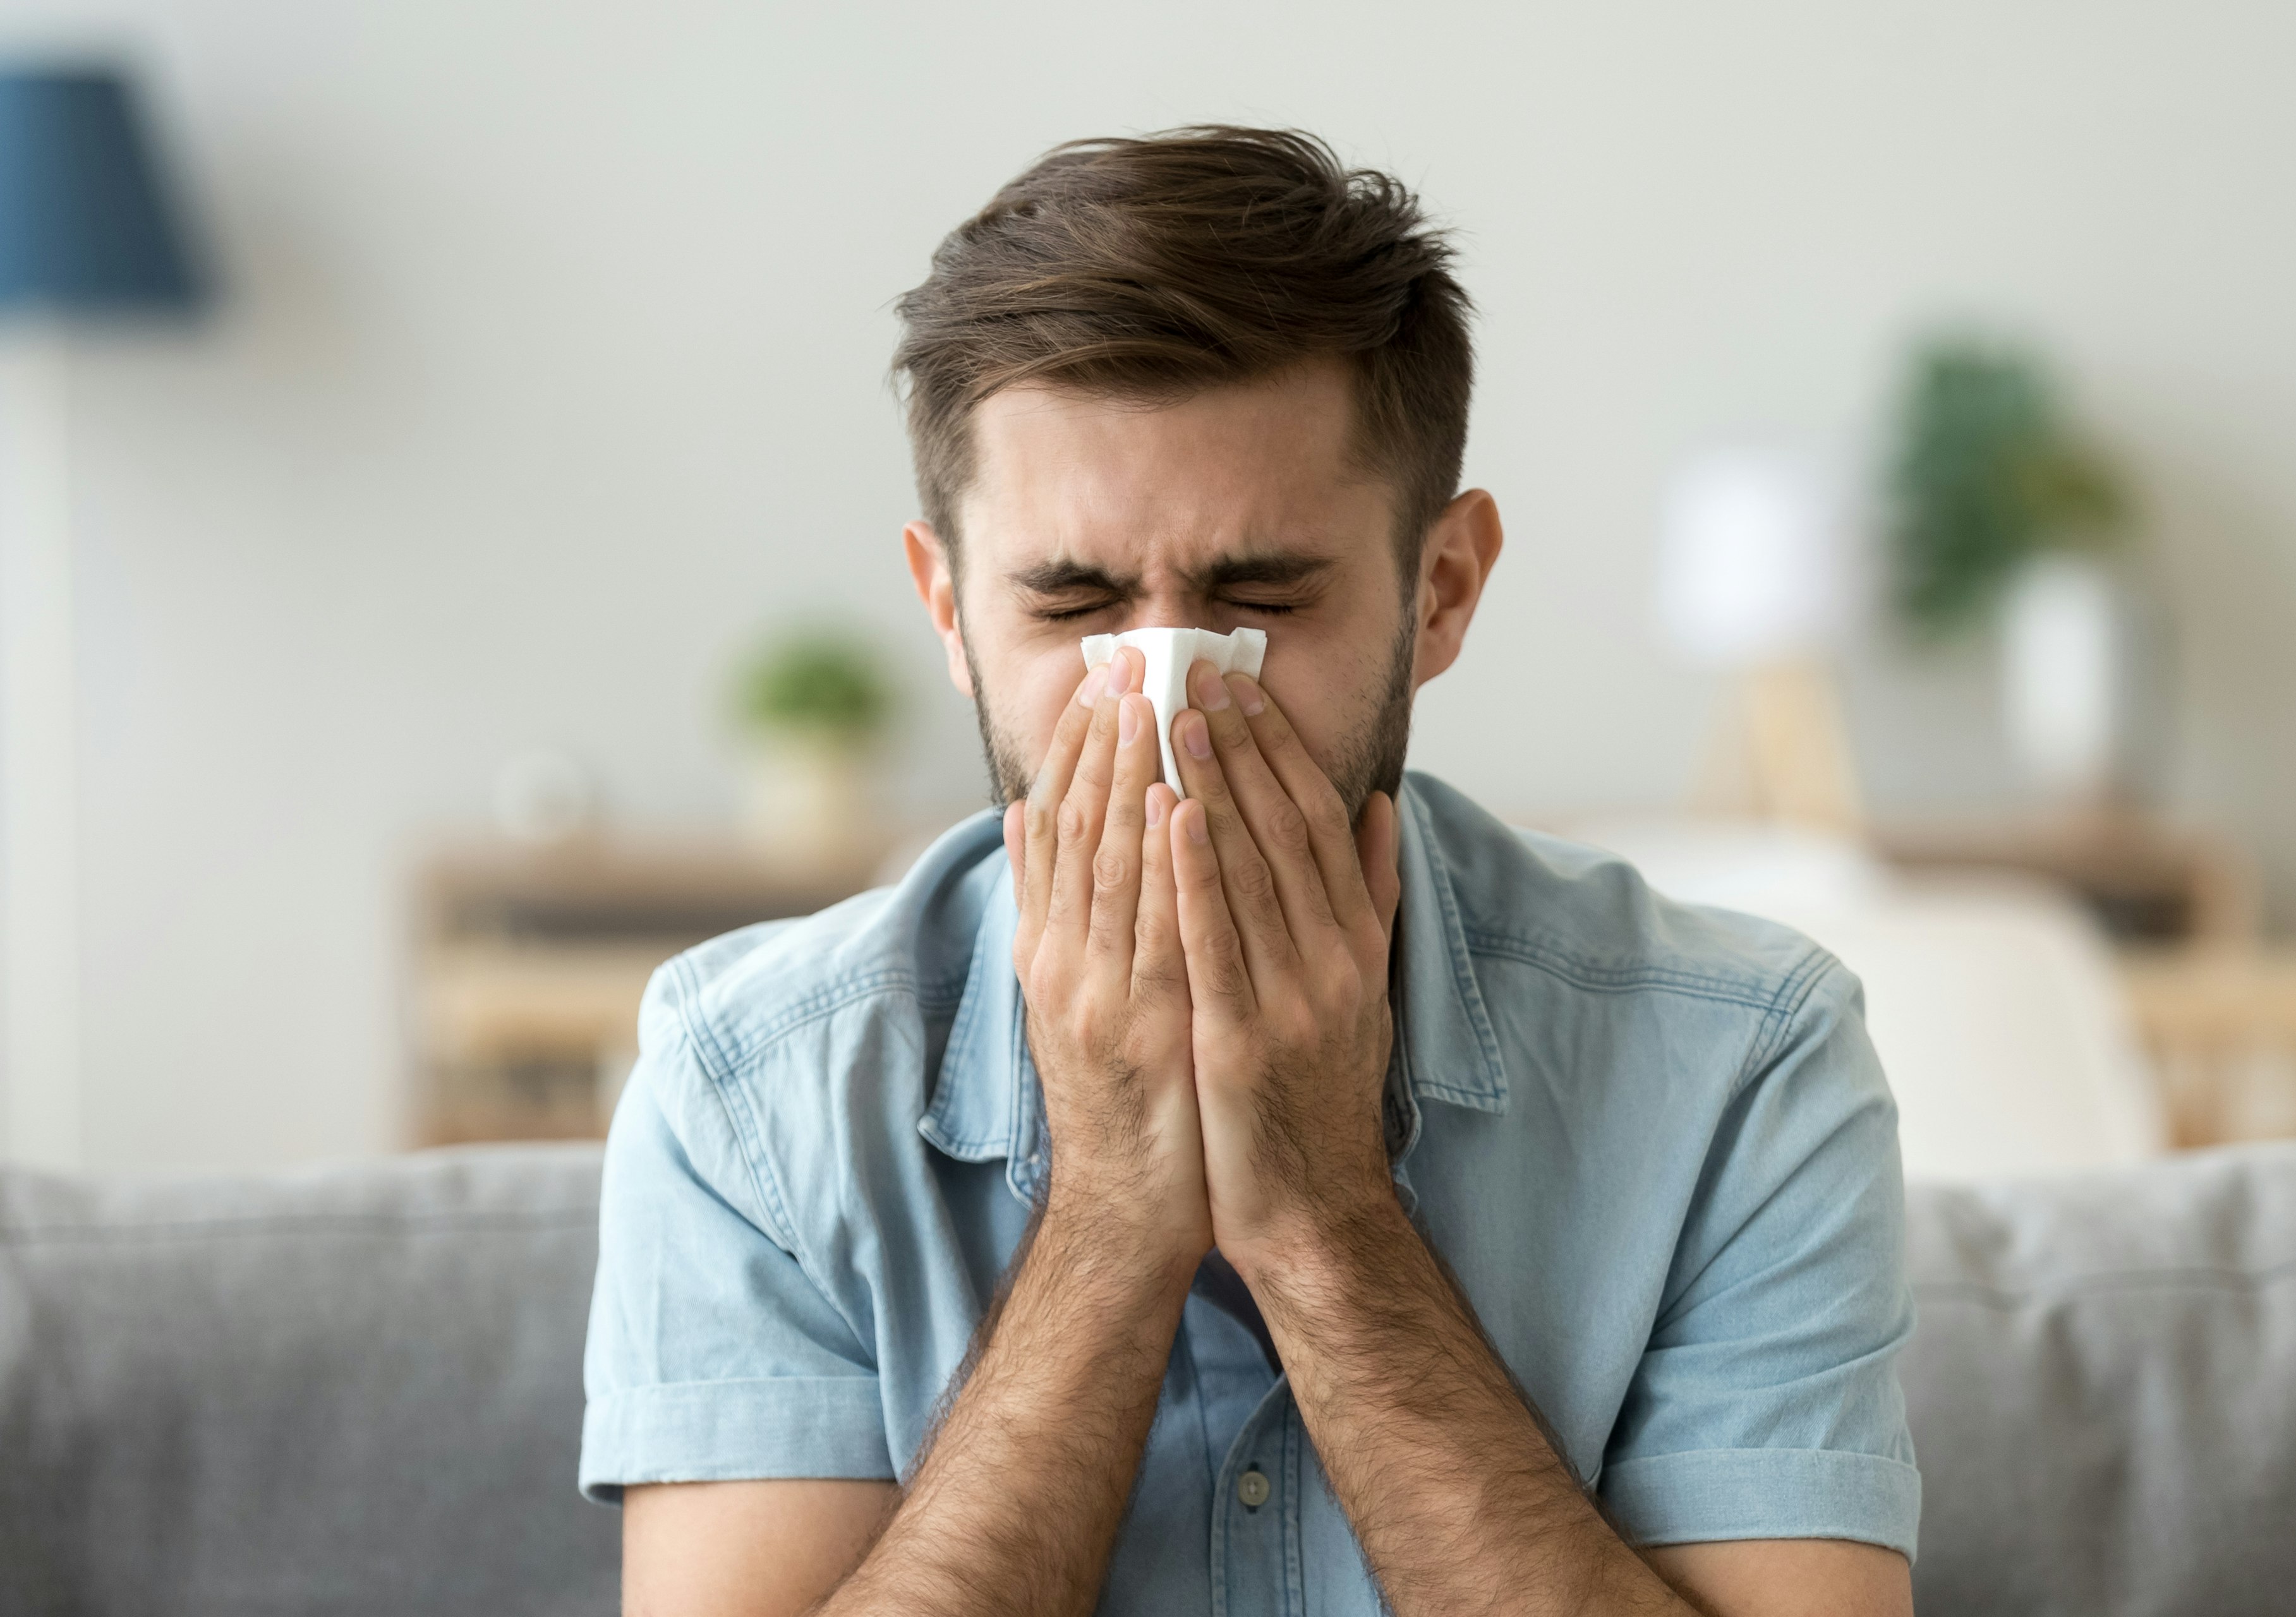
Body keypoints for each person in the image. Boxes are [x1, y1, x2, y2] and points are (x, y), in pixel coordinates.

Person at [581, 126, 1919, 1617]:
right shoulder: (748, 1098)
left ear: (1443, 591)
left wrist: (1322, 1215)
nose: (1164, 704)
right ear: (947, 608)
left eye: (1262, 596)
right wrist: (1105, 1222)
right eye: (1073, 602)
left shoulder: (1744, 1064)